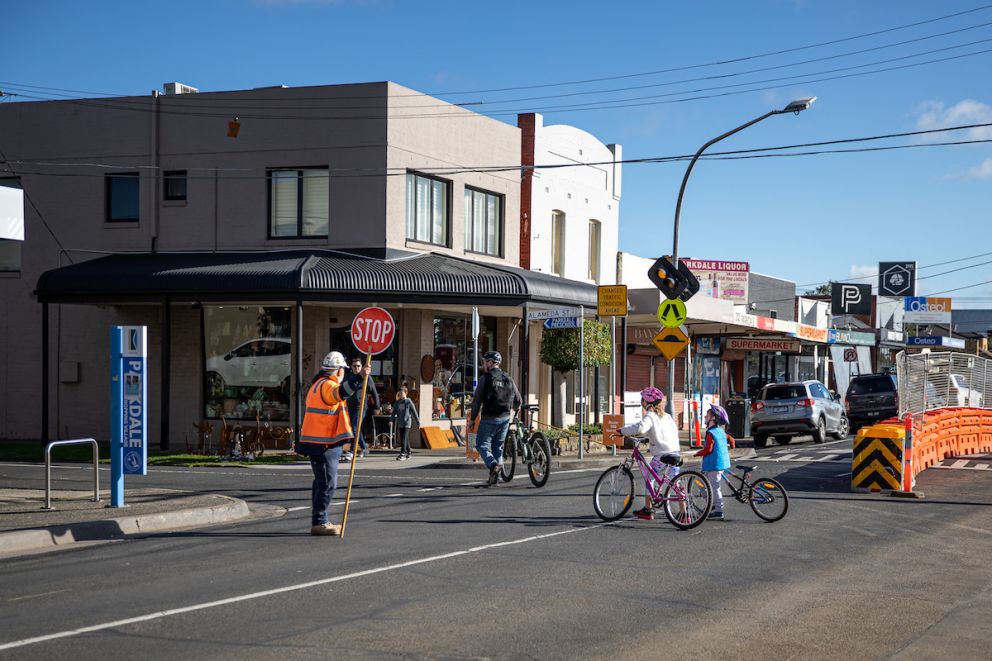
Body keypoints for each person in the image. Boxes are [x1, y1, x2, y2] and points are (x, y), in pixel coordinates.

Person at [297, 351, 370, 536]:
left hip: (318, 441)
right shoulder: (327, 385)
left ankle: (319, 519)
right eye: (343, 370)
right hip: (324, 443)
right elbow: (340, 394)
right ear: (338, 371)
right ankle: (320, 521)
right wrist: (360, 377)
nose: (344, 373)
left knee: (321, 482)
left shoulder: (317, 384)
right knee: (328, 482)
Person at [618, 386, 681, 520]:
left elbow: (640, 428)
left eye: (642, 400)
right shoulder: (667, 416)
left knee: (649, 478)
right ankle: (684, 513)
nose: (641, 402)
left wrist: (622, 431)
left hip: (662, 455)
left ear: (646, 402)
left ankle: (648, 509)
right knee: (676, 483)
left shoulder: (650, 416)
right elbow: (669, 432)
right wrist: (651, 438)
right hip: (675, 452)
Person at [469, 350, 522, 487]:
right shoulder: (508, 378)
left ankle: (493, 465)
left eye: (486, 361)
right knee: (498, 447)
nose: (484, 364)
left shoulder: (485, 378)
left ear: (491, 363)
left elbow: (476, 401)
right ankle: (495, 478)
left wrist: (473, 418)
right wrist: (515, 409)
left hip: (489, 418)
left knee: (481, 445)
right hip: (504, 418)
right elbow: (518, 399)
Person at [695, 404, 732, 521]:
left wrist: (698, 453)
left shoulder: (711, 433)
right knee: (700, 483)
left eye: (707, 414)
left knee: (714, 487)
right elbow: (732, 440)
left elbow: (708, 450)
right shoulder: (720, 431)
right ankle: (711, 505)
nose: (705, 416)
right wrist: (727, 450)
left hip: (714, 465)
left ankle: (719, 510)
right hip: (719, 463)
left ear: (713, 418)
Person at [343, 357, 380, 461]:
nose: (356, 368)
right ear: (351, 367)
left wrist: (377, 407)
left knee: (355, 428)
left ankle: (351, 450)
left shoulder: (367, 377)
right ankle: (364, 447)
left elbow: (374, 393)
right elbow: (342, 389)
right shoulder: (348, 377)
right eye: (354, 366)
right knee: (353, 429)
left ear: (361, 367)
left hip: (361, 407)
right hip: (349, 407)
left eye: (358, 366)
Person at [391, 386, 420, 461]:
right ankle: (409, 452)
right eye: (399, 394)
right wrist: (391, 420)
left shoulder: (408, 401)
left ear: (406, 393)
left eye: (402, 393)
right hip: (400, 423)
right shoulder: (397, 402)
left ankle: (402, 454)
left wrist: (418, 422)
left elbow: (414, 412)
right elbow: (394, 412)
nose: (400, 395)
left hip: (407, 423)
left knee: (403, 439)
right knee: (405, 438)